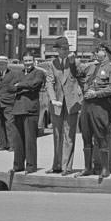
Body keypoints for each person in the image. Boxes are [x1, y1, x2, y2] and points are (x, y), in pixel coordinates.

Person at [76, 41, 111, 181]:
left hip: (101, 106)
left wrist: (96, 94)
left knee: (101, 135)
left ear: (105, 52)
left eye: (99, 51)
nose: (96, 53)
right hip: (87, 105)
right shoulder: (92, 67)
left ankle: (105, 168)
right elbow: (78, 75)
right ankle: (87, 168)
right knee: (86, 135)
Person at [43, 37, 83, 175]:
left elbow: (80, 76)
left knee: (69, 135)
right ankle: (57, 165)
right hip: (57, 104)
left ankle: (67, 167)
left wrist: (73, 64)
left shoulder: (75, 62)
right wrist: (53, 99)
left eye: (67, 48)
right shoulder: (52, 64)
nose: (65, 51)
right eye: (63, 48)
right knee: (57, 134)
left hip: (72, 103)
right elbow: (49, 82)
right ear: (57, 50)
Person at [8, 54, 46, 174]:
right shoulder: (18, 74)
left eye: (30, 60)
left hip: (31, 110)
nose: (28, 63)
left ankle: (31, 166)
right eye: (25, 61)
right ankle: (18, 166)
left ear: (34, 61)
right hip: (17, 109)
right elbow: (10, 87)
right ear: (22, 62)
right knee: (18, 140)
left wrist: (19, 85)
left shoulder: (39, 73)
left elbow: (35, 84)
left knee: (30, 140)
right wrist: (26, 87)